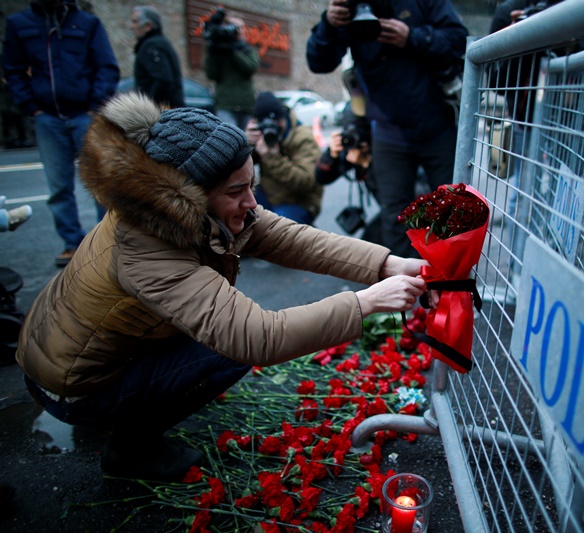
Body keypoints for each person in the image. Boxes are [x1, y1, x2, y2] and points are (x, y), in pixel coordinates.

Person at [16, 92, 430, 482]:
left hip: (86, 349)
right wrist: (368, 302)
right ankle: (130, 449)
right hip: (72, 385)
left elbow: (291, 237)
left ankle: (129, 407)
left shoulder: (174, 209)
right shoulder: (146, 248)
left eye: (252, 184)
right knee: (227, 348)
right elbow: (257, 337)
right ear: (190, 194)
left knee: (221, 324)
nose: (252, 202)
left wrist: (387, 264)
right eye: (237, 192)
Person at [306, 0, 468, 257]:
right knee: (396, 216)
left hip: (437, 123)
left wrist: (413, 37)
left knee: (451, 210)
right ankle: (404, 286)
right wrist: (329, 23)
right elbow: (318, 62)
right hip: (388, 130)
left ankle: (452, 282)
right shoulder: (351, 9)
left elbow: (460, 40)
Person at [2, 0, 119, 267]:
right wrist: (32, 108)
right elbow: (13, 70)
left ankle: (109, 240)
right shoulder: (20, 24)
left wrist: (94, 106)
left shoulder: (86, 23)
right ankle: (72, 244)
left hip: (85, 114)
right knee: (58, 185)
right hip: (47, 116)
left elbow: (106, 66)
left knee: (101, 180)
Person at [246, 91, 324, 225]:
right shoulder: (259, 136)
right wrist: (246, 144)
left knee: (277, 229)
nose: (273, 127)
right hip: (269, 195)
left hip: (299, 201)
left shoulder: (302, 138)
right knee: (239, 213)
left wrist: (271, 158)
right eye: (267, 123)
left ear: (285, 117)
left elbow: (306, 181)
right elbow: (240, 171)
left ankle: (302, 234)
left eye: (277, 121)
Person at [316, 105, 382, 244]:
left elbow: (394, 199)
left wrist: (367, 165)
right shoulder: (351, 147)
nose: (354, 137)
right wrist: (331, 154)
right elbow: (321, 178)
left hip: (405, 213)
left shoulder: (385, 146)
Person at [203, 8, 259, 130]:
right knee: (229, 141)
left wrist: (232, 51)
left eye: (240, 27)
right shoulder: (219, 51)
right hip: (225, 104)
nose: (238, 31)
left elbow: (250, 68)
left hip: (246, 105)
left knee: (247, 142)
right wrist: (212, 50)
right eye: (234, 27)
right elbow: (211, 73)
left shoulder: (247, 50)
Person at [130, 5, 184, 109]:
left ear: (148, 26)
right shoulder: (159, 43)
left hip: (161, 115)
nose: (131, 26)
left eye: (135, 21)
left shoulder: (151, 46)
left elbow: (164, 80)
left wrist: (147, 107)